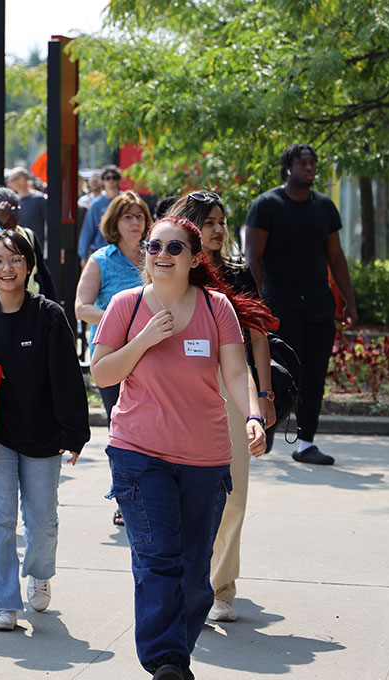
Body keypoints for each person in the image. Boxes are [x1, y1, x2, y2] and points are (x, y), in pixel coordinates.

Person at [90, 215, 270, 680]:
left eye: (174, 249)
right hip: (138, 453)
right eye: (154, 247)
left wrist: (252, 412)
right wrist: (145, 340)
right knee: (157, 559)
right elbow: (103, 372)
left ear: (194, 259)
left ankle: (175, 654)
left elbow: (234, 371)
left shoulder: (216, 309)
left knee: (194, 574)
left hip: (205, 457)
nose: (162, 256)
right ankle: (166, 662)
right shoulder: (126, 306)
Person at [0, 230, 89, 632]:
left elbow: (68, 377)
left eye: (16, 260)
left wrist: (75, 433)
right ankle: (5, 602)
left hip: (43, 435)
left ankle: (39, 572)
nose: (7, 268)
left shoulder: (48, 314)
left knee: (41, 519)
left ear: (29, 267)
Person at [168, 191, 277, 624]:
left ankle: (221, 585)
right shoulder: (172, 267)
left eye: (221, 221)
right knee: (178, 493)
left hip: (232, 385)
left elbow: (257, 336)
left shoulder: (237, 275)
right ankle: (181, 577)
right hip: (179, 387)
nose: (218, 229)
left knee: (232, 490)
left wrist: (263, 398)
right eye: (209, 221)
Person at [244, 144, 358, 465]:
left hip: (319, 304)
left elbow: (335, 256)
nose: (310, 168)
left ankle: (305, 443)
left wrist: (349, 301)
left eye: (313, 163)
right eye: (303, 163)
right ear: (288, 167)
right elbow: (253, 255)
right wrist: (254, 300)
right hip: (279, 304)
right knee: (281, 372)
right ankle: (262, 431)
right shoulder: (267, 205)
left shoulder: (324, 207)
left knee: (314, 375)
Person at [74, 190, 153, 423]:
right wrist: (124, 321)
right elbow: (81, 308)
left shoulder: (158, 254)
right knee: (121, 422)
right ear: (114, 222)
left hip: (154, 348)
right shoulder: (100, 259)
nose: (135, 222)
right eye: (127, 217)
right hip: (112, 352)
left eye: (139, 216)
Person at [0, 187, 56, 299]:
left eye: (14, 211)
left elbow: (43, 274)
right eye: (4, 212)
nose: (11, 216)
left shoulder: (27, 234)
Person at [78, 165, 122, 265]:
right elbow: (88, 229)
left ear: (118, 180)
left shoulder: (126, 202)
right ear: (103, 181)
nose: (111, 180)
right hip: (101, 252)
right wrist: (83, 255)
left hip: (123, 252)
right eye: (107, 177)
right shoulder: (96, 204)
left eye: (114, 177)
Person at [5, 167, 46, 256]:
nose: (10, 183)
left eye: (12, 179)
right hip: (19, 246)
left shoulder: (39, 199)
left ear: (22, 179)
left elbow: (48, 223)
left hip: (37, 246)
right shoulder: (14, 200)